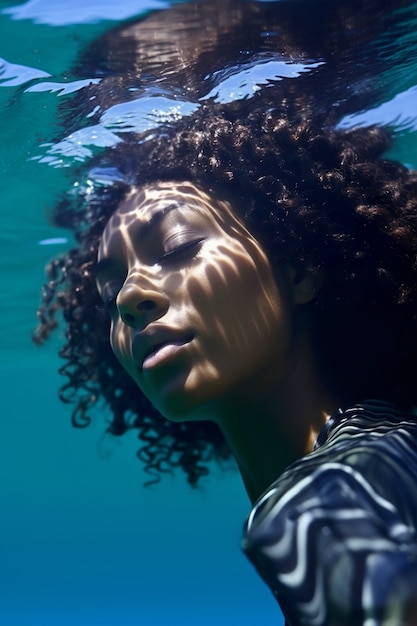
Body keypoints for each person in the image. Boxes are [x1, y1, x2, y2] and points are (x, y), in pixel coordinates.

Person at [34, 1, 417, 624]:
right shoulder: (384, 443)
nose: (131, 296)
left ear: (300, 265)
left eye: (179, 248)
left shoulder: (317, 502)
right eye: (110, 292)